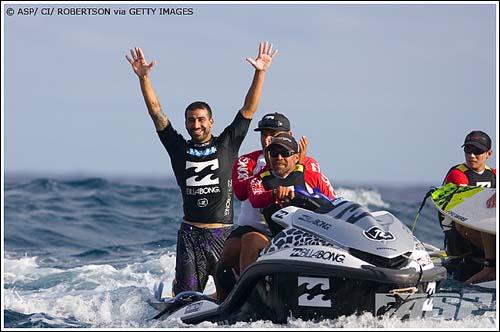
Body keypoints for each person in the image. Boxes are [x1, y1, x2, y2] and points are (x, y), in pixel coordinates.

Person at [125, 41, 278, 295]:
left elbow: (249, 109)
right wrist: (144, 79)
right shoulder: (178, 148)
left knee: (230, 296)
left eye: (200, 119)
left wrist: (260, 72)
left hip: (222, 235)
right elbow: (156, 113)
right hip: (190, 236)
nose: (195, 124)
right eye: (190, 120)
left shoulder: (227, 143)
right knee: (185, 298)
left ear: (211, 121)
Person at [215, 114, 335, 300]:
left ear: (291, 137)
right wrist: (277, 176)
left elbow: (331, 200)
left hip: (295, 229)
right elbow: (242, 193)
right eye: (264, 134)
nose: (268, 139)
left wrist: (298, 167)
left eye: (275, 134)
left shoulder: (308, 164)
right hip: (254, 228)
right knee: (227, 263)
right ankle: (229, 301)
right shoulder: (248, 163)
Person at [441, 130, 496, 284]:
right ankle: (490, 268)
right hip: (460, 236)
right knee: (485, 214)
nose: (472, 155)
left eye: (477, 151)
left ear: (488, 153)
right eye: (468, 150)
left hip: (486, 235)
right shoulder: (458, 174)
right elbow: (469, 208)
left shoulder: (494, 174)